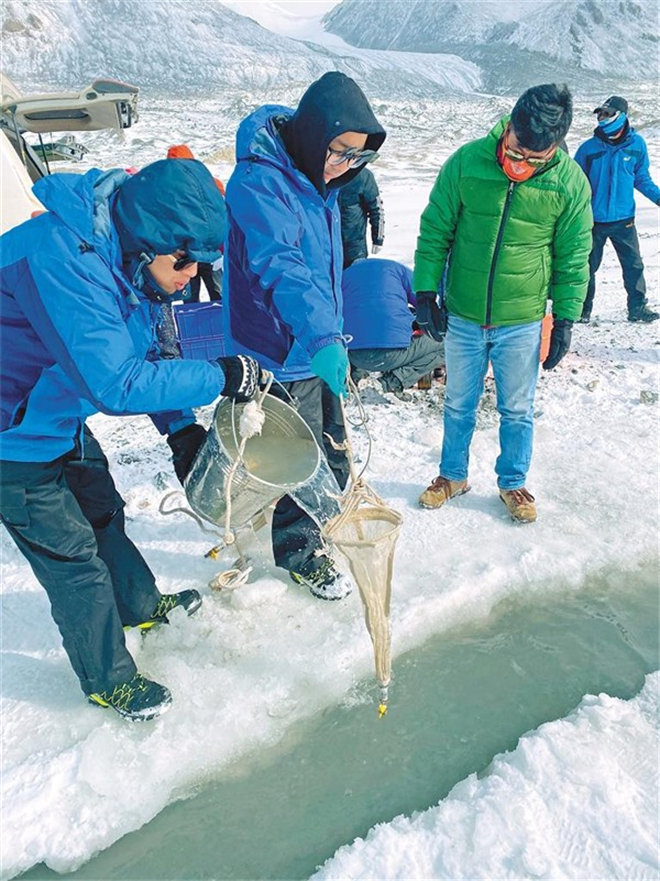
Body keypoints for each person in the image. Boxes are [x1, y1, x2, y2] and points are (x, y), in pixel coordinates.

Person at [0, 159, 262, 721]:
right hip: (10, 437)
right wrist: (222, 374)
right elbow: (117, 383)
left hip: (52, 413)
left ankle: (140, 606)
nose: (190, 274)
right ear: (148, 242)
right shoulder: (60, 257)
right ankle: (107, 679)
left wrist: (181, 429)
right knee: (72, 558)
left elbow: (150, 349)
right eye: (184, 261)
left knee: (103, 514)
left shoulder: (125, 258)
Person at [223, 71, 386, 600]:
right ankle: (300, 551)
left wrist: (331, 332)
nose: (346, 167)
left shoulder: (320, 181)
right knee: (301, 455)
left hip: (315, 339)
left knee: (334, 447)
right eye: (340, 152)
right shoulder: (260, 182)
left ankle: (319, 524)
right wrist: (321, 337)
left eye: (358, 158)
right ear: (315, 134)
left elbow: (321, 267)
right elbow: (283, 267)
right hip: (280, 343)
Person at [414, 83, 593, 524]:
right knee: (458, 402)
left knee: (517, 408)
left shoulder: (569, 183)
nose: (521, 165)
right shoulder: (466, 163)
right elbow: (436, 229)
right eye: (516, 153)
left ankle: (513, 484)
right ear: (508, 127)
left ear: (554, 148)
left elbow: (573, 258)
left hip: (522, 319)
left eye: (535, 160)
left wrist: (566, 317)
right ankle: (451, 476)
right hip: (465, 313)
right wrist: (424, 291)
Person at [574, 96, 660, 323]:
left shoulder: (637, 145)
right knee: (586, 267)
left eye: (607, 113)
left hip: (624, 220)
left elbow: (642, 179)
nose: (602, 118)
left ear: (621, 116)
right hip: (593, 220)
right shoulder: (587, 148)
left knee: (633, 265)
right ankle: (582, 310)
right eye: (600, 114)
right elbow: (575, 185)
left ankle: (637, 309)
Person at [342, 258, 444, 392]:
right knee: (447, 343)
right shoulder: (397, 270)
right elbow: (423, 303)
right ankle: (395, 381)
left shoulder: (343, 276)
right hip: (392, 354)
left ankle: (357, 376)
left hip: (353, 356)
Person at [167, 144, 224, 302]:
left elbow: (223, 219)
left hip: (205, 255)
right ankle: (221, 326)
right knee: (194, 300)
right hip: (190, 256)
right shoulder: (168, 191)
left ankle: (224, 326)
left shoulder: (212, 185)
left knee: (218, 298)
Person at [338, 165, 384, 269]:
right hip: (326, 249)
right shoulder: (322, 173)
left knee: (355, 283)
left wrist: (378, 239)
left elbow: (376, 209)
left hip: (355, 250)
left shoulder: (363, 175)